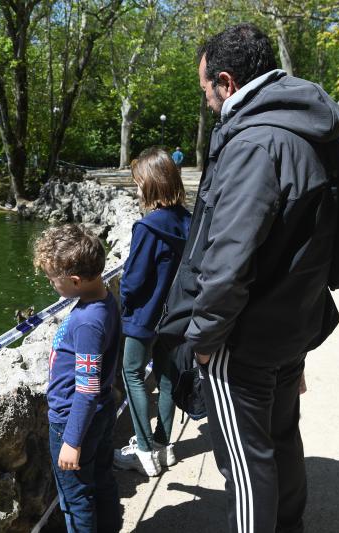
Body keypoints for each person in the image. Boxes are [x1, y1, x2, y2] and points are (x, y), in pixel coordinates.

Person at [157, 23, 339, 532]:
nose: (208, 104)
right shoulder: (309, 127)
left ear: (226, 80)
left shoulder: (254, 142)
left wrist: (203, 338)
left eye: (205, 92)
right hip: (293, 322)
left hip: (244, 335)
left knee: (244, 464)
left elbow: (229, 259)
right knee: (281, 438)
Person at [33, 224, 122, 533]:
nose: (50, 283)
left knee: (75, 499)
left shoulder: (87, 322)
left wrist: (71, 441)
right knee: (102, 479)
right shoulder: (103, 299)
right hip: (100, 412)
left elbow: (86, 388)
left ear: (74, 281)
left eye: (52, 279)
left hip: (74, 421)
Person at [112, 148, 191, 477]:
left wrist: (125, 305)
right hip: (175, 316)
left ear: (152, 184)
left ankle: (144, 451)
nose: (136, 188)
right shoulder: (189, 221)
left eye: (138, 182)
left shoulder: (147, 228)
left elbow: (131, 280)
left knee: (132, 375)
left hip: (144, 317)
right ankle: (162, 446)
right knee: (167, 376)